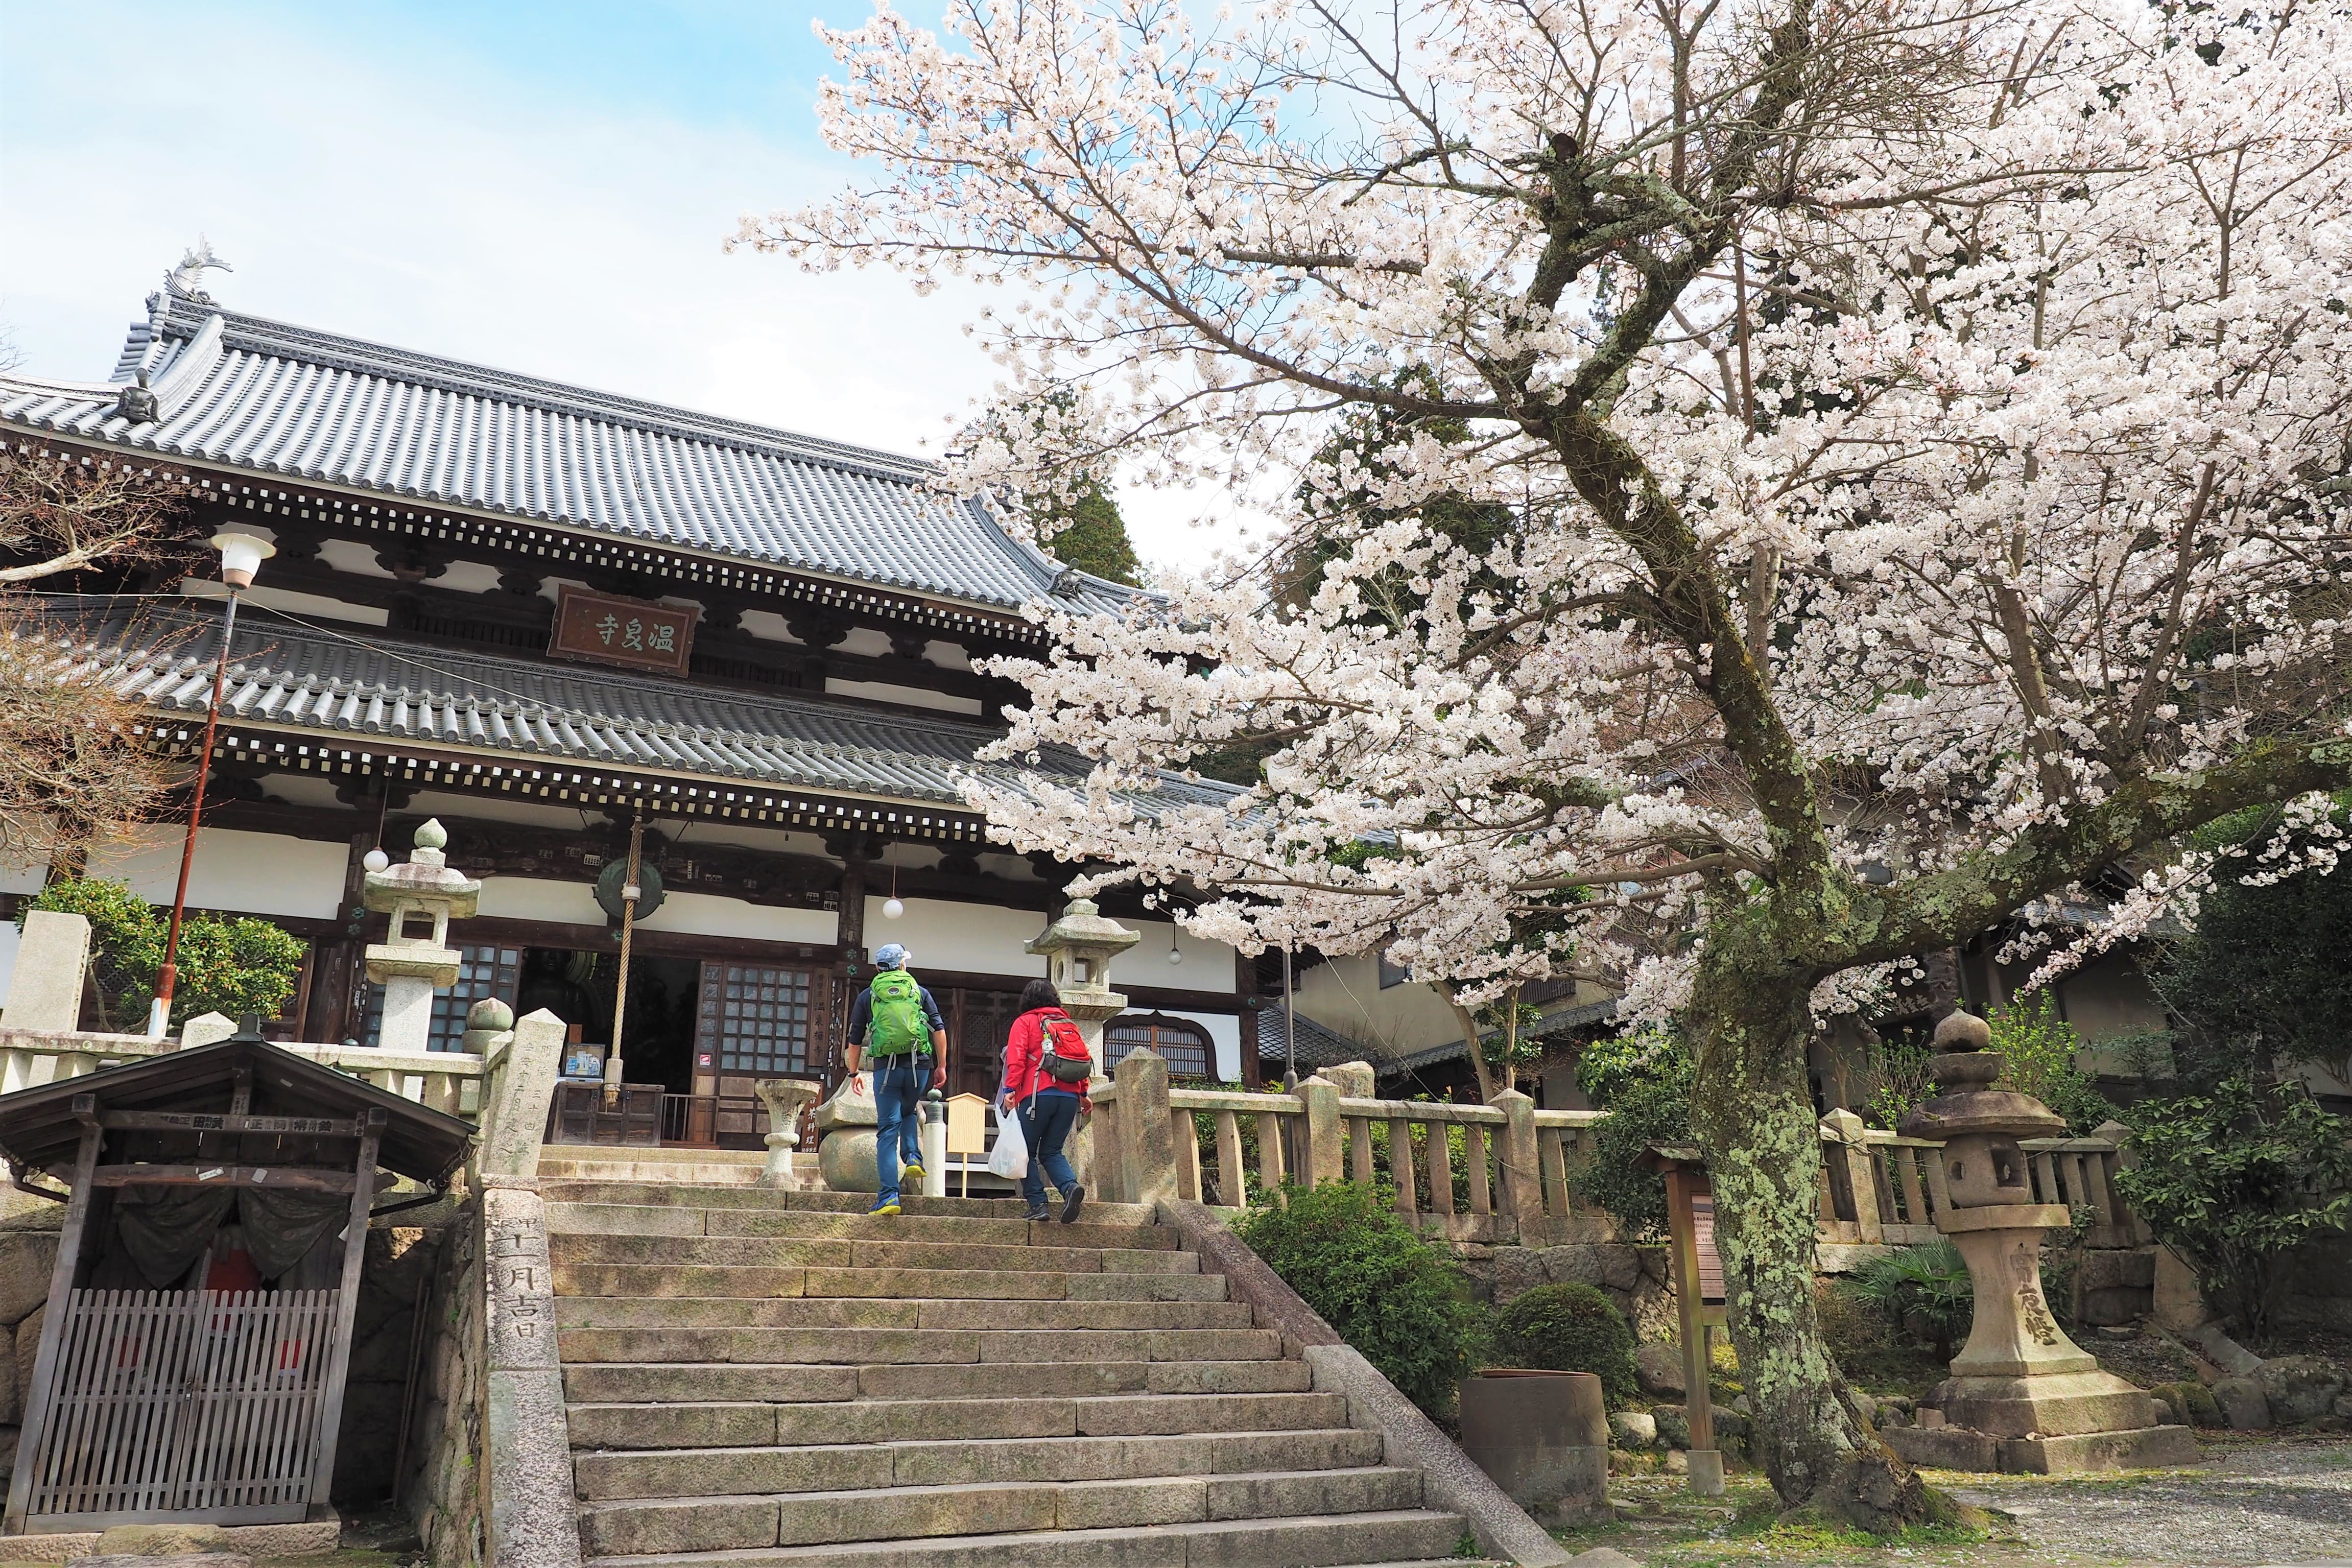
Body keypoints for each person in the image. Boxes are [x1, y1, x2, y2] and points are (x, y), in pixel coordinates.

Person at [844, 943, 947, 1217]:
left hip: (886, 1068)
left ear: (878, 968)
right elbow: (938, 1029)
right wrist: (942, 1066)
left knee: (888, 1131)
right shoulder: (918, 992)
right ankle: (913, 1154)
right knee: (909, 1108)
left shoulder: (868, 996)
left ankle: (890, 1196)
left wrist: (854, 1073)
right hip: (920, 1065)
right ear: (903, 965)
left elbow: (855, 1039)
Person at [997, 977, 1088, 1225]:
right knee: (1051, 1151)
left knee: (1025, 1151)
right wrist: (1084, 1094)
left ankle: (1038, 1203)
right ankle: (1070, 1188)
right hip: (1069, 1098)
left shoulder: (1025, 1022)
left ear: (1027, 1000)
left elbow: (1016, 1059)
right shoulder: (1068, 1023)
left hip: (1038, 1097)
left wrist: (1010, 1089)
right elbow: (1081, 1061)